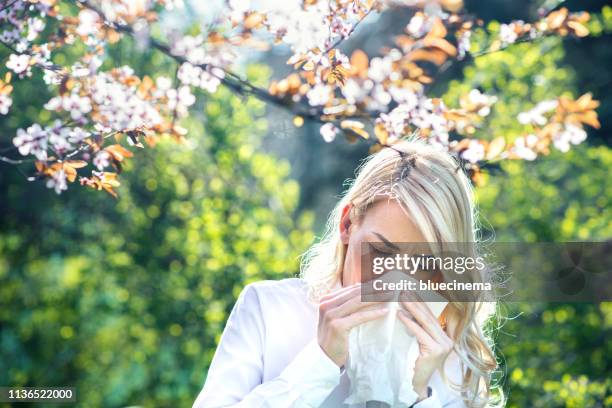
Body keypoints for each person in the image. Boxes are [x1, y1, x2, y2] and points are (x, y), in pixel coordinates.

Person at [193, 137, 501, 407]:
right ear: (347, 225)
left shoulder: (450, 353)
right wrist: (320, 362)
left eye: (424, 264)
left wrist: (418, 395)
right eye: (380, 252)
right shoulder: (270, 309)